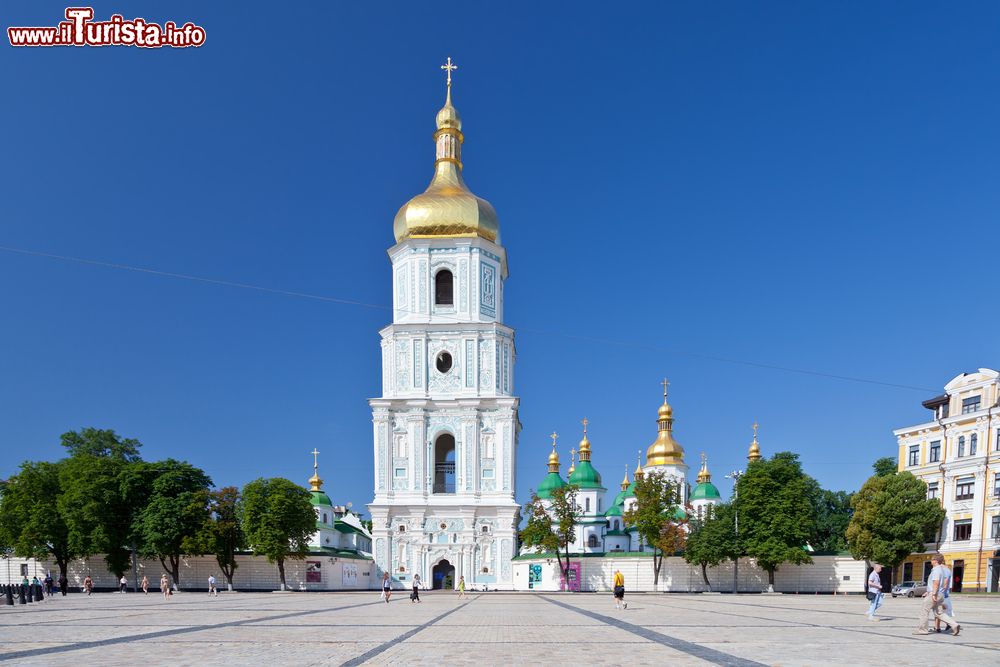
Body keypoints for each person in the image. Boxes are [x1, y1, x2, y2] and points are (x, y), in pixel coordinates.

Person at [914, 553, 960, 636]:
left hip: (934, 594)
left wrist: (933, 594)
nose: (931, 561)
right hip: (940, 594)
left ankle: (922, 630)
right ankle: (954, 625)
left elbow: (936, 582)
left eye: (932, 559)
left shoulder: (936, 570)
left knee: (924, 611)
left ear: (935, 561)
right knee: (939, 613)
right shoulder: (942, 570)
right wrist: (928, 591)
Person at [935, 560, 955, 633]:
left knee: (939, 611)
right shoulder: (946, 570)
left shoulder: (944, 570)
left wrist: (939, 592)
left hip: (942, 594)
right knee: (939, 611)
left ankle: (951, 624)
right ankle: (937, 627)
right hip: (944, 594)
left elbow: (945, 583)